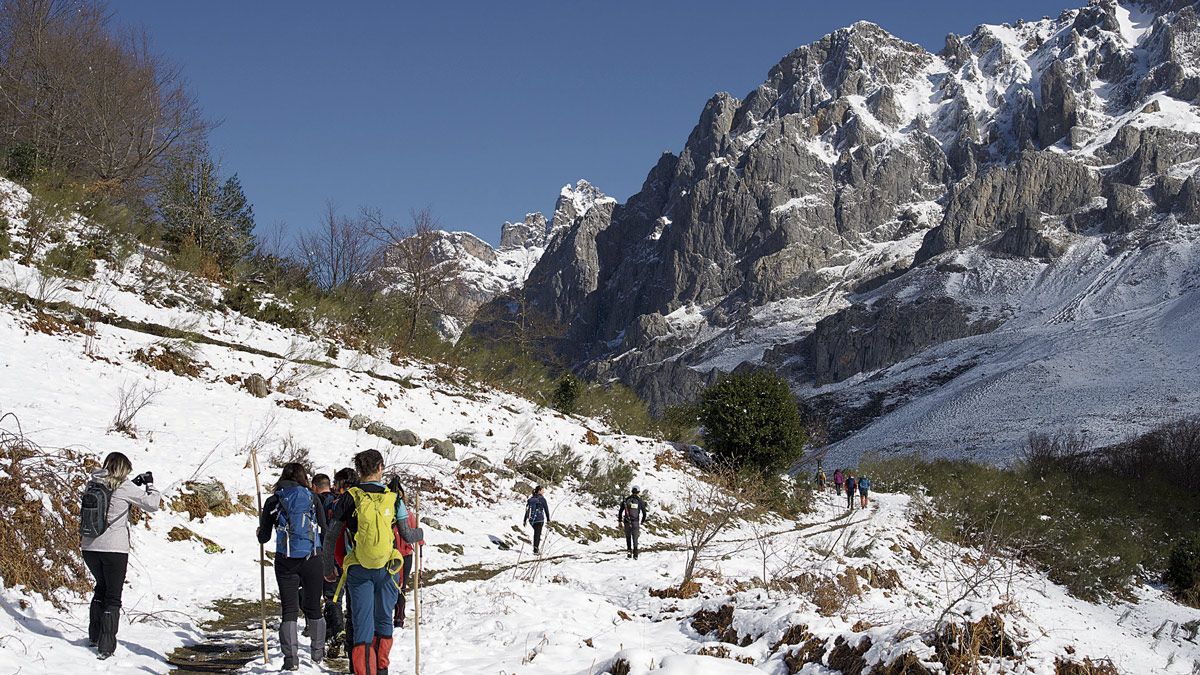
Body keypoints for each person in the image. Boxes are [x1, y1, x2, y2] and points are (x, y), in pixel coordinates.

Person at [323, 450, 423, 675]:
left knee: (363, 628)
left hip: (359, 570)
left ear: (359, 471)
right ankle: (382, 670)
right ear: (380, 468)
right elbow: (407, 534)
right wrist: (421, 532)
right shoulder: (392, 496)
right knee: (384, 622)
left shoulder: (350, 497)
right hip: (387, 570)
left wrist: (328, 568)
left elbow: (331, 536)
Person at [80, 452, 162, 660]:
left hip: (89, 548)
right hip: (114, 549)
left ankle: (94, 636)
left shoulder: (93, 483)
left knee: (100, 588)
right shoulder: (125, 486)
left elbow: (112, 498)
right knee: (113, 597)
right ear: (123, 469)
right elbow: (152, 503)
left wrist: (134, 483)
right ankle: (106, 647)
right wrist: (149, 485)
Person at [256, 463, 327, 670]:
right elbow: (324, 529)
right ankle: (317, 653)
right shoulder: (312, 498)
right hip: (312, 558)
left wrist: (260, 530)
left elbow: (264, 537)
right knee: (314, 606)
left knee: (289, 609)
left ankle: (291, 659)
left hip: (285, 560)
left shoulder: (274, 500)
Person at [321, 468, 356, 659]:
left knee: (333, 597)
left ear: (342, 483)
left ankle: (336, 633)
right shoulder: (363, 499)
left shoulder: (336, 503)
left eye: (336, 482)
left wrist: (328, 564)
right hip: (358, 560)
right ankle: (353, 648)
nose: (334, 486)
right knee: (353, 606)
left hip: (338, 557)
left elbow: (329, 534)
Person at [388, 476, 424, 629]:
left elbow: (414, 533)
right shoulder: (392, 514)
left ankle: (399, 617)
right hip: (394, 554)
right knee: (395, 585)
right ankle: (395, 616)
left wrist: (419, 543)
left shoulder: (407, 514)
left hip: (404, 554)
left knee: (400, 586)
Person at [617, 486, 648, 559]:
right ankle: (636, 554)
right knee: (635, 537)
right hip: (635, 522)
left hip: (627, 521)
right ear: (638, 492)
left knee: (628, 537)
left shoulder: (627, 500)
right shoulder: (640, 501)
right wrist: (642, 521)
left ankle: (629, 552)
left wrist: (620, 520)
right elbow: (644, 512)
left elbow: (620, 511)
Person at [523, 485, 550, 555]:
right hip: (539, 519)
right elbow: (546, 509)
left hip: (531, 520)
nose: (544, 491)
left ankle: (536, 548)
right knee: (537, 534)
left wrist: (525, 519)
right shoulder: (542, 499)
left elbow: (527, 510)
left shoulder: (531, 499)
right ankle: (535, 550)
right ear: (539, 491)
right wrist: (548, 519)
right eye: (543, 490)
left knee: (536, 533)